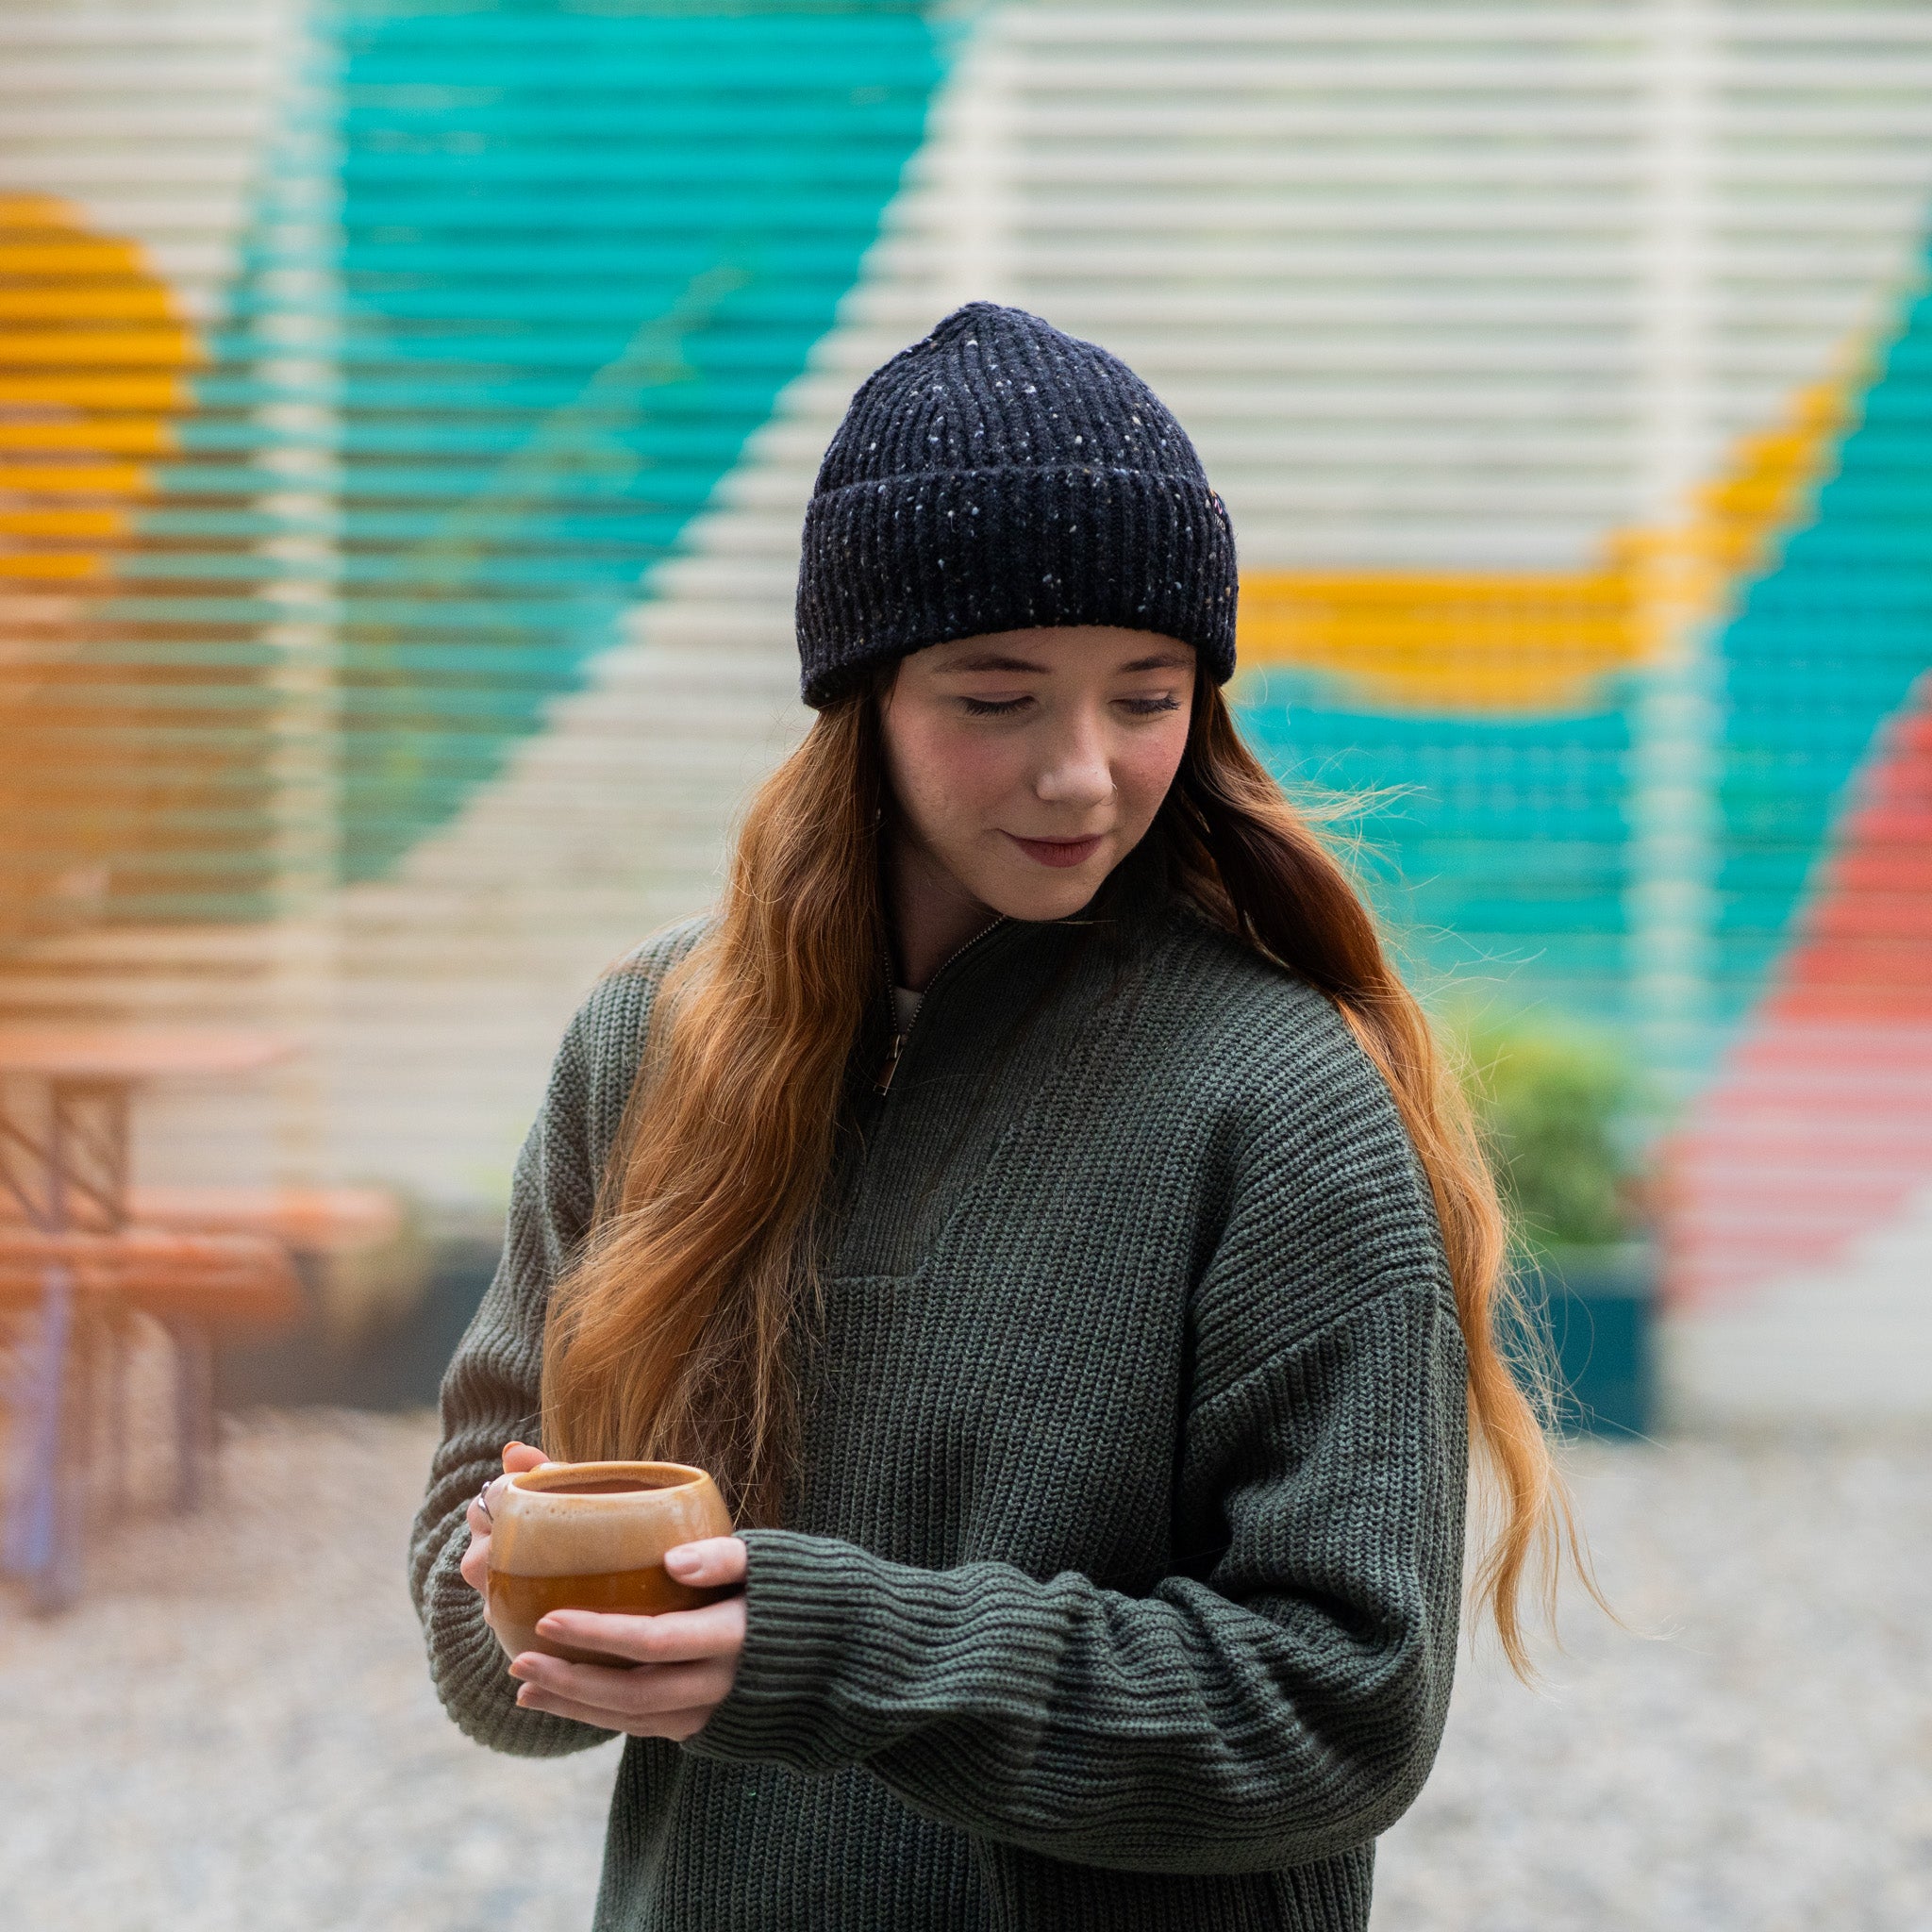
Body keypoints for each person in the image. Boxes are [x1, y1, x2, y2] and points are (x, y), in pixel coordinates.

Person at [410, 302, 1569, 1931]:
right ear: (862, 700)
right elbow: (481, 1601)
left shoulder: (1281, 1106)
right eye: (998, 696)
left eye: (1146, 696)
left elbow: (1339, 1710)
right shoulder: (645, 1048)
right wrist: (544, 1601)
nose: (1082, 774)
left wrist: (826, 1649)